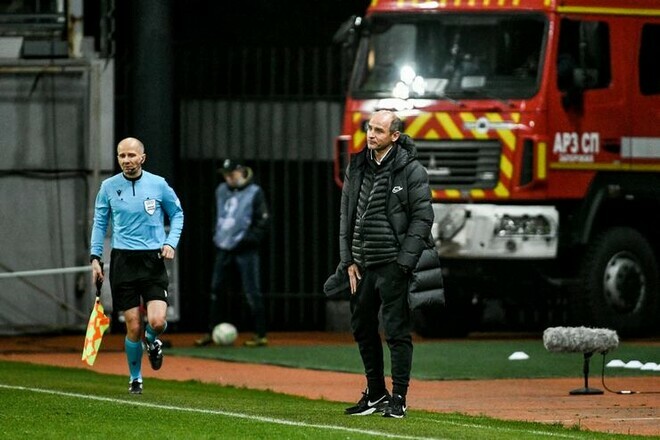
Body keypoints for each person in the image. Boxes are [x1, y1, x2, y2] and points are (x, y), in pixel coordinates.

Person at [337, 110, 433, 418]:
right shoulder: (357, 166)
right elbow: (346, 216)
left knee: (396, 332)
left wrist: (404, 262)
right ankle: (377, 393)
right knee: (362, 328)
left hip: (392, 263)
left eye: (379, 130)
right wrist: (348, 259)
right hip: (362, 265)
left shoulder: (411, 169)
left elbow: (423, 218)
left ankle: (399, 398)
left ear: (394, 136)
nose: (371, 134)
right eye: (369, 128)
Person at [90, 137, 184, 395]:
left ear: (142, 157)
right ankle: (135, 378)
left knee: (157, 321)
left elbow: (177, 214)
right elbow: (100, 223)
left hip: (152, 260)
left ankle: (152, 341)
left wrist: (170, 242)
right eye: (122, 156)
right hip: (123, 261)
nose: (126, 160)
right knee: (133, 325)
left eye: (131, 155)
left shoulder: (158, 184)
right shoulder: (108, 187)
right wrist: (95, 258)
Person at [195, 159, 270, 348]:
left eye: (231, 174)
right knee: (216, 290)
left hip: (245, 249)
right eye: (225, 175)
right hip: (223, 246)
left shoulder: (255, 192)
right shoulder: (221, 190)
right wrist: (218, 235)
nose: (228, 178)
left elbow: (262, 222)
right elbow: (217, 215)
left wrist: (247, 240)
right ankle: (210, 331)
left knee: (252, 290)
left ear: (241, 171)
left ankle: (260, 334)